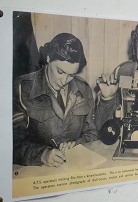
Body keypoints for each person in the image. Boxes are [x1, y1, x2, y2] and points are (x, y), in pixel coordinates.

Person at [13, 32, 98, 167]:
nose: (64, 81)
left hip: (72, 170)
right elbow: (11, 143)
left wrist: (77, 145)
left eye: (71, 75)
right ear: (48, 58)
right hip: (35, 174)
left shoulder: (84, 89)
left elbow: (92, 134)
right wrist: (41, 155)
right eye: (60, 72)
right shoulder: (22, 88)